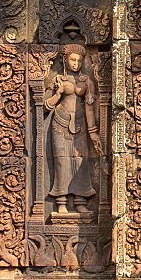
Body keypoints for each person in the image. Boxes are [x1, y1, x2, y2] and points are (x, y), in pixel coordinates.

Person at [44, 44, 98, 215]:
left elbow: (89, 108)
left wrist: (93, 132)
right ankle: (61, 201)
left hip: (80, 125)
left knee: (80, 162)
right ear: (65, 60)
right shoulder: (58, 80)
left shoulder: (87, 82)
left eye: (79, 61)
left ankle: (80, 201)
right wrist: (58, 94)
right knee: (61, 163)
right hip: (59, 124)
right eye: (72, 60)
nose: (76, 63)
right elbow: (45, 106)